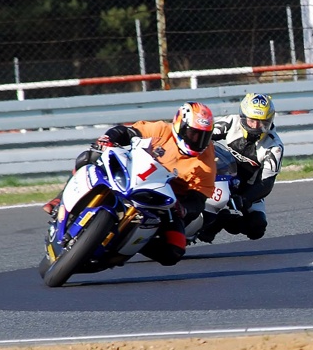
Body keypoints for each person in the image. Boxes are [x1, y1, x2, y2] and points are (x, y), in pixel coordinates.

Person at [41, 101, 217, 266]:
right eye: (193, 133)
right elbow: (125, 132)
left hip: (163, 200)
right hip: (133, 174)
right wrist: (108, 139)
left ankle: (127, 246)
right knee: (89, 156)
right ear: (179, 125)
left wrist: (184, 208)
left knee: (174, 251)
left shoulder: (207, 163)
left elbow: (198, 200)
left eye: (204, 136)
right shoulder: (162, 130)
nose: (197, 140)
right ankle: (59, 199)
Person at [197, 92, 285, 242]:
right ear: (243, 117)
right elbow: (203, 136)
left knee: (257, 227)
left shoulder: (274, 147)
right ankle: (207, 222)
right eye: (252, 121)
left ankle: (224, 219)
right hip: (222, 177)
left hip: (248, 187)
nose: (255, 127)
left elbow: (266, 183)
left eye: (262, 122)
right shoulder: (232, 122)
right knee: (205, 232)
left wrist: (245, 198)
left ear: (270, 121)